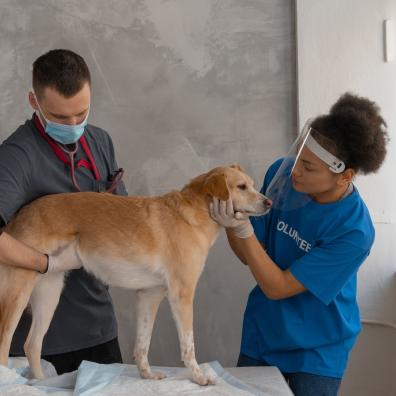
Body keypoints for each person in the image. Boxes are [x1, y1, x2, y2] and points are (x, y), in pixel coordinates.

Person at [210, 93, 388, 396]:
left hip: (318, 347)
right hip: (264, 332)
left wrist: (241, 228)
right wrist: (232, 219)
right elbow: (248, 255)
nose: (296, 170)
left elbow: (278, 286)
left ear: (343, 176)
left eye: (309, 167)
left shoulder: (354, 231)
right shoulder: (282, 176)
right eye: (299, 157)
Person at [0, 49, 127, 374]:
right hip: (42, 341)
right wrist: (47, 263)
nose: (73, 124)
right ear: (34, 101)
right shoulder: (17, 157)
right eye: (59, 118)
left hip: (99, 330)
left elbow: (121, 216)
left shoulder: (100, 141)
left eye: (81, 113)